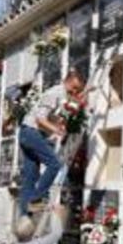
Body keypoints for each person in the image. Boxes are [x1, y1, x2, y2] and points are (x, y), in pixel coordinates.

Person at [17, 70, 84, 214]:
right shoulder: (55, 93)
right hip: (31, 132)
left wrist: (59, 123)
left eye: (78, 90)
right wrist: (56, 130)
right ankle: (36, 199)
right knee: (54, 164)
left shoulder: (63, 96)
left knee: (30, 177)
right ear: (69, 80)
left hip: (27, 133)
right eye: (74, 87)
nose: (75, 91)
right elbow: (40, 119)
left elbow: (55, 115)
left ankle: (24, 216)